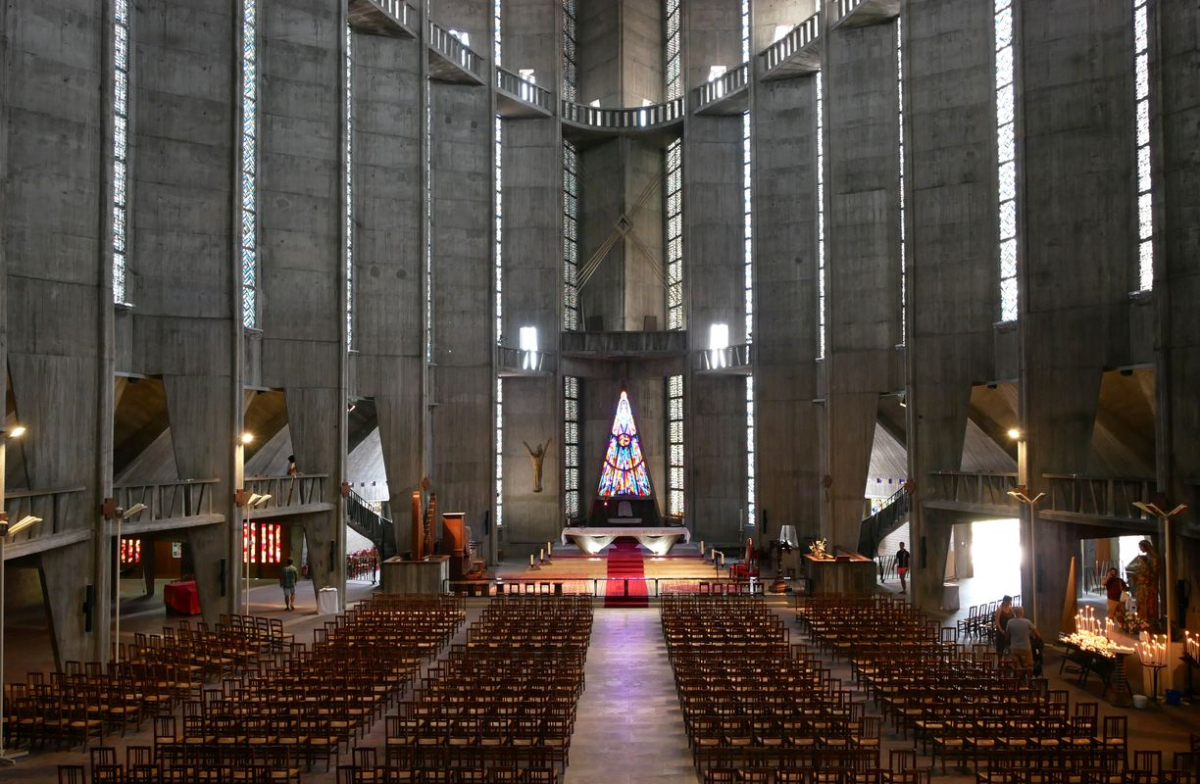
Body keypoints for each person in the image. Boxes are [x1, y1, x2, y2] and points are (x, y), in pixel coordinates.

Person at [1126, 539, 1161, 620]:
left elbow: (1153, 573)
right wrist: (1134, 576)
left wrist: (1143, 576)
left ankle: (1149, 621)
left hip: (1149, 586)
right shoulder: (1145, 558)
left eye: (1141, 547)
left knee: (1148, 604)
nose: (1140, 549)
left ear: (1146, 547)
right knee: (1141, 603)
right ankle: (1142, 620)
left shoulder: (1154, 558)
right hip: (1142, 585)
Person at [1005, 606, 1038, 681]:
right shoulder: (1027, 622)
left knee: (1016, 665)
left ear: (1014, 613)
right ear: (1022, 612)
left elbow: (1007, 635)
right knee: (1029, 664)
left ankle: (1019, 681)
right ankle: (1030, 680)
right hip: (1026, 648)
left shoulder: (1010, 622)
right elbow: (1037, 634)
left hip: (1014, 648)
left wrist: (1007, 644)